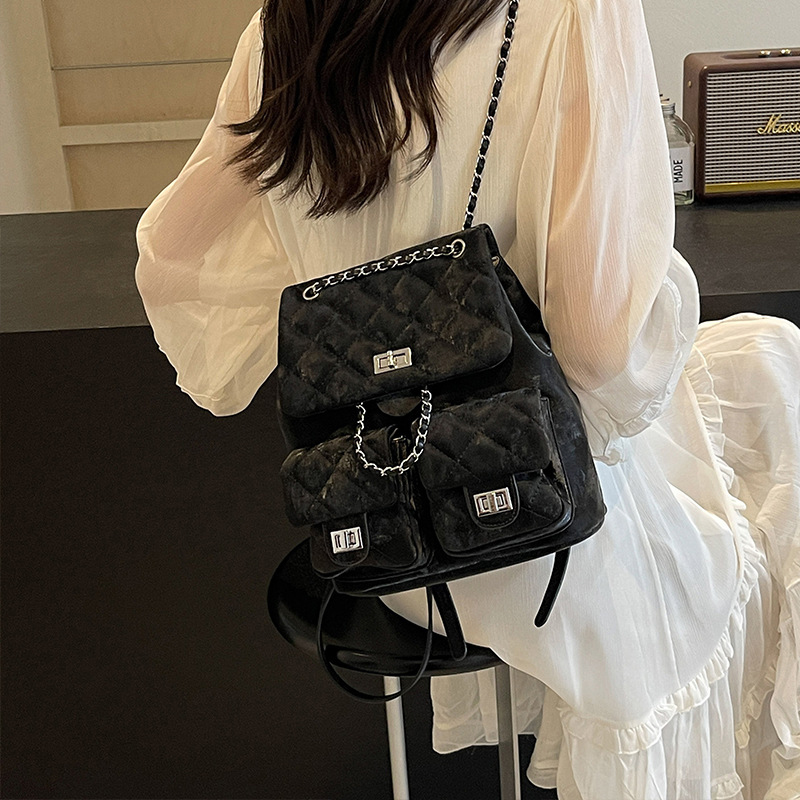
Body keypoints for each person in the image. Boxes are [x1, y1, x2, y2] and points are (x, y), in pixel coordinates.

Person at [134, 1, 800, 797]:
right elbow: (600, 357)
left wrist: (345, 289)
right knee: (776, 378)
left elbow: (170, 264)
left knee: (763, 362)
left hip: (382, 536)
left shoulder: (285, 30)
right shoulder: (570, 12)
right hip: (539, 524)